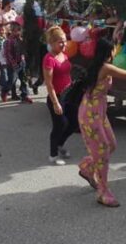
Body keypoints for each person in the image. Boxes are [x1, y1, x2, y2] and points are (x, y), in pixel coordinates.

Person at [78, 38, 126, 207]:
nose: (115, 52)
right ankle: (103, 192)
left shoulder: (98, 65)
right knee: (103, 151)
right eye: (114, 50)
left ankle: (87, 166)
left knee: (111, 145)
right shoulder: (105, 68)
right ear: (109, 52)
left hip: (98, 112)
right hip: (90, 114)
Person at [43, 26, 73, 165]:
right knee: (60, 125)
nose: (64, 44)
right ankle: (53, 155)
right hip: (57, 97)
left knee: (72, 123)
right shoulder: (49, 59)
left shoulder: (64, 55)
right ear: (52, 43)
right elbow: (49, 84)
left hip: (68, 95)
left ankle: (60, 144)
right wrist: (56, 103)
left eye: (65, 41)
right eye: (60, 42)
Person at [2, 22, 30, 103]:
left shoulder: (20, 40)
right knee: (11, 81)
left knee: (23, 80)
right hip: (12, 65)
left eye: (19, 30)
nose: (18, 32)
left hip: (21, 62)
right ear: (12, 31)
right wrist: (14, 64)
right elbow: (8, 54)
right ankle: (4, 92)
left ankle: (24, 96)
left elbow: (24, 51)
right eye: (16, 31)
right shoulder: (8, 41)